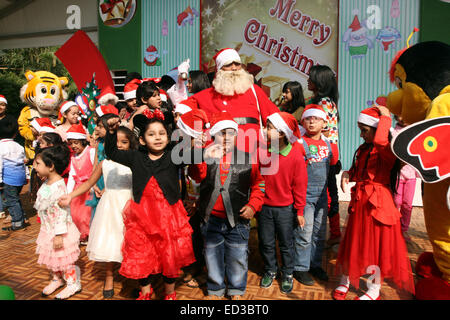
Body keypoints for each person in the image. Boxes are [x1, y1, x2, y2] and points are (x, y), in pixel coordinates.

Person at [104, 113, 195, 301]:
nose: (158, 137)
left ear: (168, 138)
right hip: (141, 215)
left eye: (162, 133)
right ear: (142, 140)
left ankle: (169, 292)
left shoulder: (173, 156)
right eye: (152, 134)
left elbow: (195, 155)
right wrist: (111, 132)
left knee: (169, 252)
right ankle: (146, 291)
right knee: (140, 251)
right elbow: (112, 153)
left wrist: (192, 136)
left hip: (169, 214)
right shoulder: (136, 157)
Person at [334, 106, 415, 300]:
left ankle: (373, 290)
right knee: (353, 243)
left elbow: (380, 140)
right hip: (361, 204)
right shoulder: (364, 149)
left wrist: (386, 117)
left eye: (365, 130)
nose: (361, 135)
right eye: (360, 129)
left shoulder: (386, 149)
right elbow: (357, 170)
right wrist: (347, 174)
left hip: (378, 206)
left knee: (375, 249)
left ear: (377, 129)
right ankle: (346, 280)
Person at [189, 111, 265, 300]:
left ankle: (236, 289)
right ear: (214, 135)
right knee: (212, 254)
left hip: (238, 219)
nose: (226, 138)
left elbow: (259, 185)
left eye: (231, 133)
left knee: (237, 255)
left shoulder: (249, 158)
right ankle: (215, 289)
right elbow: (196, 175)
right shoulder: (207, 156)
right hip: (211, 218)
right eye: (222, 133)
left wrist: (253, 206)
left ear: (237, 136)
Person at [59, 125, 136, 299]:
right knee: (111, 241)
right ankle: (109, 276)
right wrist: (70, 195)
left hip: (131, 205)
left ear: (131, 144)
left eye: (124, 142)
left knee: (132, 241)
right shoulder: (105, 163)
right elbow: (87, 183)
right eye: (116, 142)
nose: (120, 146)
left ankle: (132, 275)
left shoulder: (135, 162)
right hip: (110, 206)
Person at [189, 48, 279, 154]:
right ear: (219, 69)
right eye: (228, 65)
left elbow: (276, 119)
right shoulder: (205, 96)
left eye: (237, 64)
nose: (234, 68)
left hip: (254, 153)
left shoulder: (254, 90)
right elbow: (184, 114)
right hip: (220, 156)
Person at [258, 112, 307, 294]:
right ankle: (270, 269)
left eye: (269, 128)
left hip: (285, 210)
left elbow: (300, 186)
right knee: (266, 242)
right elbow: (258, 180)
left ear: (281, 133)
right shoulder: (263, 153)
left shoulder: (295, 156)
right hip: (264, 208)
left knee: (287, 244)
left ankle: (287, 273)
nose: (265, 130)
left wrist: (300, 211)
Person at [293, 105, 339, 286]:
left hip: (322, 197)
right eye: (308, 118)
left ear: (324, 122)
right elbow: (294, 173)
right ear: (303, 121)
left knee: (319, 233)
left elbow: (332, 171)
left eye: (316, 118)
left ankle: (315, 264)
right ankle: (300, 268)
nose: (312, 121)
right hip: (304, 197)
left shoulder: (331, 146)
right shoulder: (299, 144)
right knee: (304, 233)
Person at [33, 145, 82, 299]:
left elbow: (62, 212)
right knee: (52, 256)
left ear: (51, 166)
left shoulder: (59, 187)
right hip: (48, 229)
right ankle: (57, 279)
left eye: (38, 164)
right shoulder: (47, 181)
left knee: (64, 258)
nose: (34, 167)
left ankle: (73, 283)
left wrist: (59, 234)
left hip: (59, 231)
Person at [306, 65, 342, 247]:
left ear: (319, 81)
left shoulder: (324, 102)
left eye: (311, 77)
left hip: (324, 154)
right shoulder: (322, 101)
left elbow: (324, 131)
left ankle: (335, 232)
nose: (308, 80)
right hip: (323, 153)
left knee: (328, 193)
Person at [175, 109, 210, 288]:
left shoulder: (204, 148)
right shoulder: (185, 146)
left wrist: (197, 202)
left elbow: (205, 177)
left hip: (204, 201)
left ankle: (207, 272)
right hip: (190, 198)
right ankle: (195, 266)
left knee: (206, 238)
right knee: (194, 234)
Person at [66, 122, 96, 244]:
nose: (73, 146)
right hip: (78, 190)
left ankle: (90, 234)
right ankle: (82, 234)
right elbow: (72, 176)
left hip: (89, 188)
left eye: (76, 143)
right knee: (76, 215)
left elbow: (95, 169)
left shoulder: (90, 152)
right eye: (71, 143)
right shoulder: (73, 157)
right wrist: (69, 193)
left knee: (87, 214)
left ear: (83, 141)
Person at [392, 115, 417, 242]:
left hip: (411, 175)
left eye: (405, 113)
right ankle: (395, 228)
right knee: (396, 202)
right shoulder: (394, 132)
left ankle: (403, 229)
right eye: (399, 114)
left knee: (407, 204)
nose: (402, 118)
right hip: (399, 174)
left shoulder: (415, 130)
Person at [0, 116, 27, 231]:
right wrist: (26, 176)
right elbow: (23, 162)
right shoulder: (19, 146)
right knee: (15, 198)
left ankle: (17, 222)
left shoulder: (1, 147)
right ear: (15, 133)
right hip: (20, 179)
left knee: (11, 200)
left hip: (8, 179)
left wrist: (0, 180)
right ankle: (22, 217)